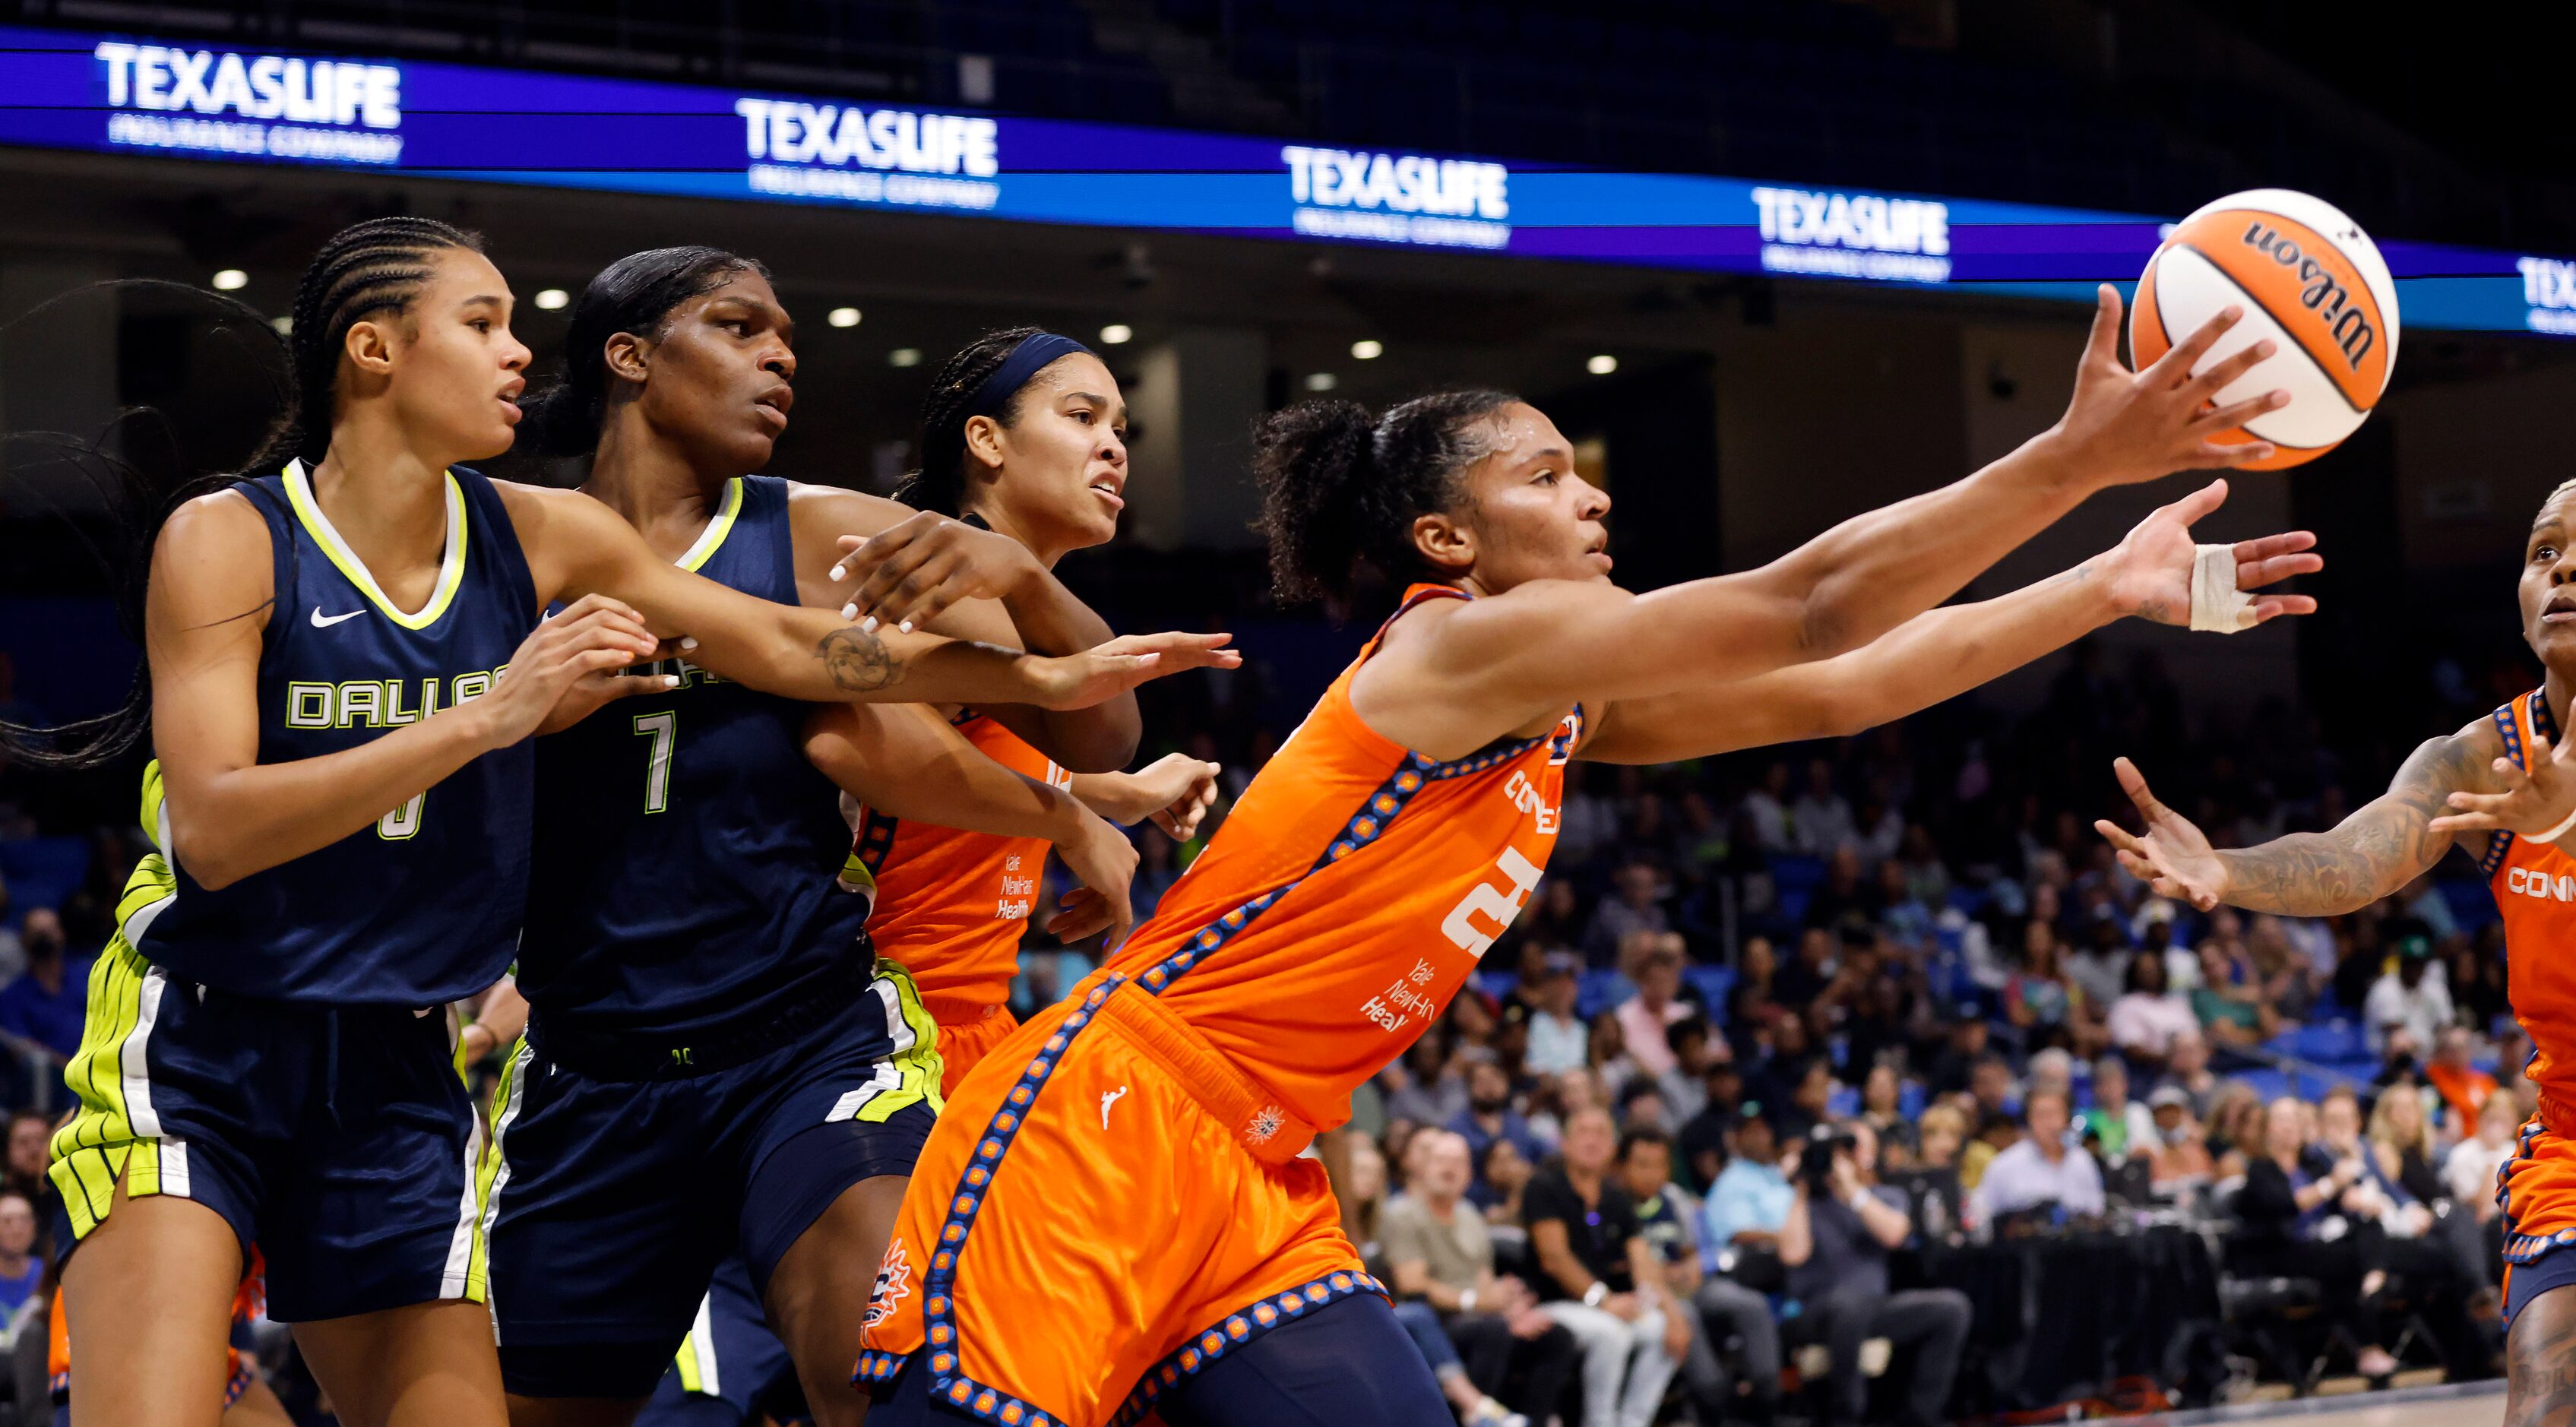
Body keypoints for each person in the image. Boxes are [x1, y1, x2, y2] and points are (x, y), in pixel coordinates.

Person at [856, 288, 2299, 1425]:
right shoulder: (1458, 645)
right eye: (1548, 474)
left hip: (1256, 1166)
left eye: (1585, 467)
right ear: (1449, 538)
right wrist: (2075, 458)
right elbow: (1812, 606)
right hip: (1110, 1120)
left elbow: (1845, 683)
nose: (1594, 492)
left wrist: (2102, 584)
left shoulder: (1555, 700)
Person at [8, 217, 1214, 1427]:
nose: (520, 353)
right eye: (483, 324)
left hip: (420, 1061)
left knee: (846, 1362)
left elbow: (790, 647)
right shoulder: (230, 535)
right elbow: (213, 829)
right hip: (215, 1039)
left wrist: (1043, 682)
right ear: (373, 351)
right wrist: (494, 714)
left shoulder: (549, 535)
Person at [476, 252, 1221, 1427]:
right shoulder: (503, 548)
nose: (780, 354)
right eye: (738, 327)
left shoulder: (827, 534)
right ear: (627, 357)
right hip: (592, 1065)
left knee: (884, 1381)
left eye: (787, 336)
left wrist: (1026, 592)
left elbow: (1080, 713)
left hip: (804, 1041)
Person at [2097, 473, 2576, 1416]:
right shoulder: (2481, 758)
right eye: (2543, 553)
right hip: (2570, 1140)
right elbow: (2360, 854)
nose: (2561, 573)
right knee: (2546, 1396)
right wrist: (2227, 871)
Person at [848, 325, 1226, 1100]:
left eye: (1121, 429)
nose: (1114, 447)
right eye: (1083, 418)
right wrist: (1075, 812)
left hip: (964, 1016)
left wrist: (1120, 797)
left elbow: (986, 740)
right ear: (986, 440)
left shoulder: (1015, 609)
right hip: (875, 1015)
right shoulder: (943, 589)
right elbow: (1096, 733)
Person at [1778, 1122, 1970, 1427]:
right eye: (1837, 1149)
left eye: (1851, 1147)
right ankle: (1847, 1415)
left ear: (1868, 1154)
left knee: (1952, 1307)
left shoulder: (1884, 1195)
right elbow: (1792, 1254)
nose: (1844, 1156)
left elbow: (1895, 1234)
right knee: (1848, 1303)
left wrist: (1852, 1190)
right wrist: (1800, 1188)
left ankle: (1922, 1415)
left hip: (1874, 1308)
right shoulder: (1803, 1202)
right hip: (1815, 1312)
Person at [1379, 1131, 1573, 1427]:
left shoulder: (1470, 1214)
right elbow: (1413, 1284)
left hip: (1479, 1314)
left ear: (1470, 1174)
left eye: (1459, 1161)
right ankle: (1476, 1418)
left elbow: (1484, 1278)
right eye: (1441, 1160)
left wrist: (1510, 1308)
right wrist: (1476, 1303)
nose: (1449, 1168)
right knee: (1492, 1330)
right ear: (1423, 1168)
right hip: (1432, 1318)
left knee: (1555, 1336)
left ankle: (1531, 1421)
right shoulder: (1402, 1214)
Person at [1524, 1109, 1688, 1427]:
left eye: (1602, 1133)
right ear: (1566, 1143)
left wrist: (1674, 1315)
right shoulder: (1544, 1186)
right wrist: (1603, 1300)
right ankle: (1599, 1421)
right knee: (1611, 1334)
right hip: (1553, 1304)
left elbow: (1643, 1262)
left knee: (1659, 1328)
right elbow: (1554, 1258)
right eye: (1585, 1131)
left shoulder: (1615, 1198)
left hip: (1603, 1305)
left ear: (1613, 1148)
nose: (1593, 1140)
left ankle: (1633, 1420)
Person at [2229, 1096, 2400, 1378]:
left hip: (2322, 1245)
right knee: (2342, 1263)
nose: (2290, 1126)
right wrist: (2332, 1185)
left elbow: (2342, 1200)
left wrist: (2355, 1197)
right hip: (2281, 1250)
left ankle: (2374, 1281)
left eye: (2295, 1119)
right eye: (2281, 1120)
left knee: (2369, 1226)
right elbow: (2288, 1204)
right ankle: (2369, 1336)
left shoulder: (2311, 1164)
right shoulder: (2261, 1168)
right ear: (2267, 1129)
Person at [1969, 1088, 2103, 1226]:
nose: (2047, 1123)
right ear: (2029, 1119)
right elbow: (1980, 1215)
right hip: (2022, 1246)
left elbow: (2096, 1211)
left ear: (2067, 1118)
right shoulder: (2004, 1164)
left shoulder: (2082, 1161)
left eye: (2053, 1114)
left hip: (2077, 1244)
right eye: (2040, 1115)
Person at [0, 908, 85, 1070]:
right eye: (38, 933)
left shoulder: (87, 977)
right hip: (49, 1085)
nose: (44, 938)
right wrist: (72, 1070)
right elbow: (24, 1051)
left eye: (49, 930)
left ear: (62, 934)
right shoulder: (11, 998)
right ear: (23, 939)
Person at [2364, 928, 2455, 1058]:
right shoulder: (2385, 989)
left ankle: (2448, 1078)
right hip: (2385, 1058)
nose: (2415, 968)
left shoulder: (2434, 987)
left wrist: (2441, 1044)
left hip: (2428, 1053)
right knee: (2401, 1041)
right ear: (2401, 962)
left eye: (2420, 963)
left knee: (2456, 1039)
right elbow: (2395, 1032)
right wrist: (2430, 1048)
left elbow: (2446, 1025)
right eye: (2410, 962)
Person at [2105, 951, 2198, 1071]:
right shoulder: (2126, 1005)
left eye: (2154, 969)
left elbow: (2195, 1036)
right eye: (2144, 970)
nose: (2150, 973)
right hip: (2153, 1073)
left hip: (2195, 1067)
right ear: (2134, 973)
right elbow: (2134, 1050)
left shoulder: (2177, 1003)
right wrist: (2173, 1059)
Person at [1521, 952, 1590, 1077]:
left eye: (1569, 982)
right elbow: (1524, 1065)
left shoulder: (1582, 1027)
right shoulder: (1531, 1022)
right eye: (1557, 982)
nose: (1563, 988)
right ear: (1545, 987)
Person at [2427, 1027, 2500, 1136]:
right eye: (2452, 1049)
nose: (2457, 1054)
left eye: (2462, 1048)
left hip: (2487, 1137)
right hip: (2453, 1139)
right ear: (2443, 1052)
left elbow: (2496, 1109)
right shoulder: (2433, 1077)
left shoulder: (2485, 1081)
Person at [2081, 1055, 2155, 1160]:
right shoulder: (2090, 1119)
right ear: (2096, 1089)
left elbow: (2150, 1149)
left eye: (2114, 1082)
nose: (2110, 1089)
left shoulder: (2138, 1112)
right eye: (2104, 1084)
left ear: (2125, 1084)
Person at [0, 1189, 39, 1316]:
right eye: (7, 1221)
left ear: (34, 1228)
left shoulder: (49, 1277)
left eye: (24, 1220)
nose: (17, 1230)